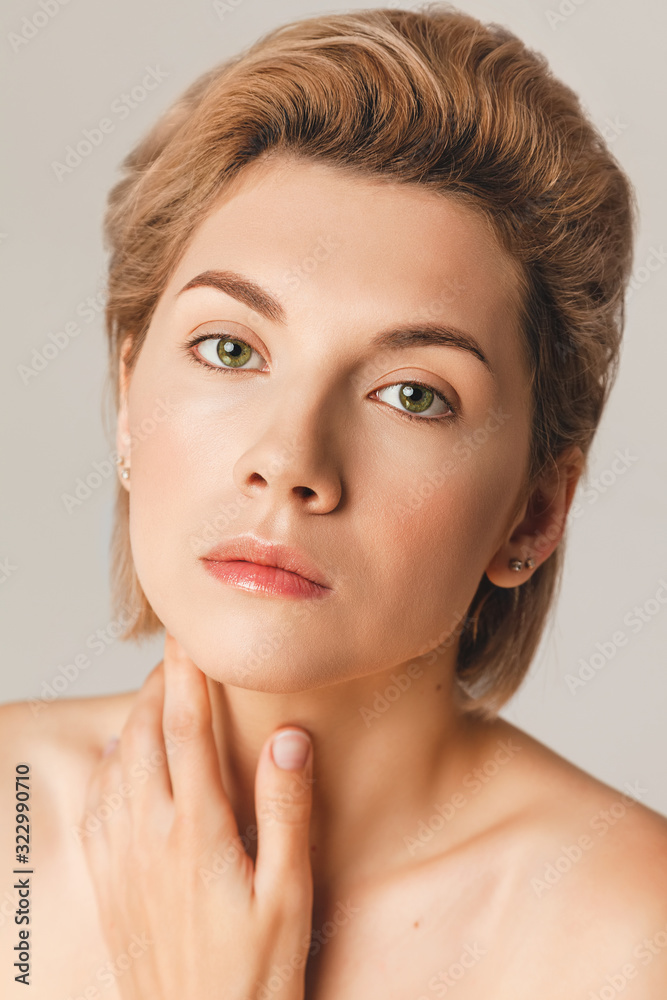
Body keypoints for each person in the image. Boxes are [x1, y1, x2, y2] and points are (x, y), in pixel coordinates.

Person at [2, 5, 666, 998]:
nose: (289, 458)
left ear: (533, 513)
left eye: (412, 394)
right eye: (231, 349)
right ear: (130, 401)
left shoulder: (626, 936)